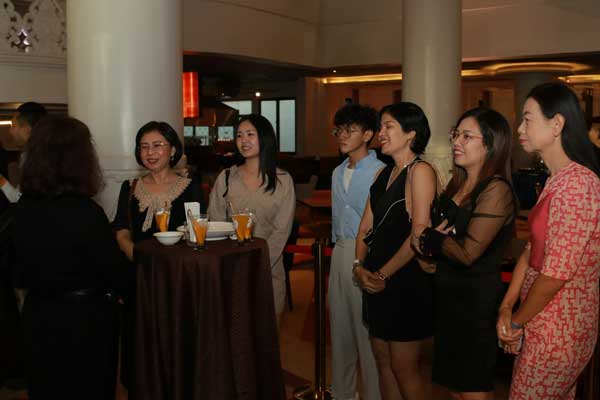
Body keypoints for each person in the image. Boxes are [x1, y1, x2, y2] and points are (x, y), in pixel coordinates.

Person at [11, 116, 129, 400]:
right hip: (85, 324)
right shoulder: (87, 214)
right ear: (79, 159)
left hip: (38, 318)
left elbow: (16, 272)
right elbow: (117, 274)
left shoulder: (22, 210)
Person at [497, 83, 600, 400]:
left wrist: (516, 322)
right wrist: (507, 306)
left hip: (558, 332)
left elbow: (555, 275)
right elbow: (531, 251)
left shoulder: (578, 184)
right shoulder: (557, 179)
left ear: (557, 124)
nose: (519, 128)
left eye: (527, 119)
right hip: (541, 322)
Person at [417, 107, 516, 400]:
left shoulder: (496, 189)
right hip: (448, 298)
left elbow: (468, 252)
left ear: (490, 145)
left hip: (475, 304)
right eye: (455, 134)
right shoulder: (457, 184)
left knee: (473, 390)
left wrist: (432, 238)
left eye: (467, 136)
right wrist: (431, 252)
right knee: (454, 389)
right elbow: (440, 244)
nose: (456, 141)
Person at [354, 102, 437, 400]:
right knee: (382, 361)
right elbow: (365, 227)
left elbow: (418, 234)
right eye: (381, 127)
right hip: (375, 278)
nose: (381, 133)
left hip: (404, 281)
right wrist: (358, 266)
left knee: (404, 367)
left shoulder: (420, 171)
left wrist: (382, 275)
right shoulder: (383, 174)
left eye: (389, 126)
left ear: (411, 133)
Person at [208, 114, 295, 322]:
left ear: (264, 137)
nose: (243, 140)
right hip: (230, 271)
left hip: (268, 272)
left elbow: (281, 231)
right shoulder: (226, 178)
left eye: (250, 134)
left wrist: (257, 264)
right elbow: (215, 224)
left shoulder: (282, 181)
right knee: (234, 330)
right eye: (239, 135)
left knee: (267, 332)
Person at [328, 104, 385, 400]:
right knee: (339, 331)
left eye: (350, 130)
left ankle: (373, 394)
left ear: (367, 135)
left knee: (367, 334)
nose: (342, 135)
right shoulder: (337, 172)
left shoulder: (380, 172)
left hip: (368, 252)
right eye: (339, 130)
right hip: (339, 249)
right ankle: (343, 393)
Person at [113, 121, 204, 261]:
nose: (150, 152)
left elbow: (197, 232)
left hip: (178, 266)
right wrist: (140, 260)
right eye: (144, 147)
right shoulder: (130, 187)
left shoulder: (190, 187)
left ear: (172, 150)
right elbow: (122, 233)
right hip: (138, 267)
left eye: (157, 145)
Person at [0, 102, 47, 203]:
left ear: (27, 130)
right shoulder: (28, 156)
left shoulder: (38, 161)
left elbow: (21, 201)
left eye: (13, 126)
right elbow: (18, 197)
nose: (10, 131)